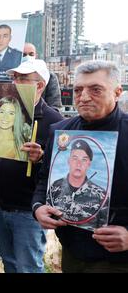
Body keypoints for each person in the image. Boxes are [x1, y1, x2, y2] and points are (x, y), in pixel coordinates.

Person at [32, 60, 128, 273]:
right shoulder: (61, 131)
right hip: (72, 253)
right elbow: (43, 180)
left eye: (95, 90)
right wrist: (38, 208)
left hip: (118, 261)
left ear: (117, 92)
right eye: (78, 90)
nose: (84, 97)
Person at [0, 59, 64, 273]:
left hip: (27, 211)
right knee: (9, 264)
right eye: (14, 77)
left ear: (39, 86)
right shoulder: (2, 110)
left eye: (23, 78)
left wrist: (42, 157)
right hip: (0, 206)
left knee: (28, 267)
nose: (15, 82)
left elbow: (61, 170)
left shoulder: (54, 120)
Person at [48, 139, 107, 224]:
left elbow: (103, 225)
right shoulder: (55, 186)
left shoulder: (101, 195)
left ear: (89, 164)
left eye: (84, 159)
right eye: (75, 158)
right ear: (69, 161)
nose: (79, 164)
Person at [23, 43, 62, 111]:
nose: (28, 57)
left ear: (36, 56)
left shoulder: (50, 77)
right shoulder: (11, 76)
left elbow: (55, 105)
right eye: (24, 54)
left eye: (31, 54)